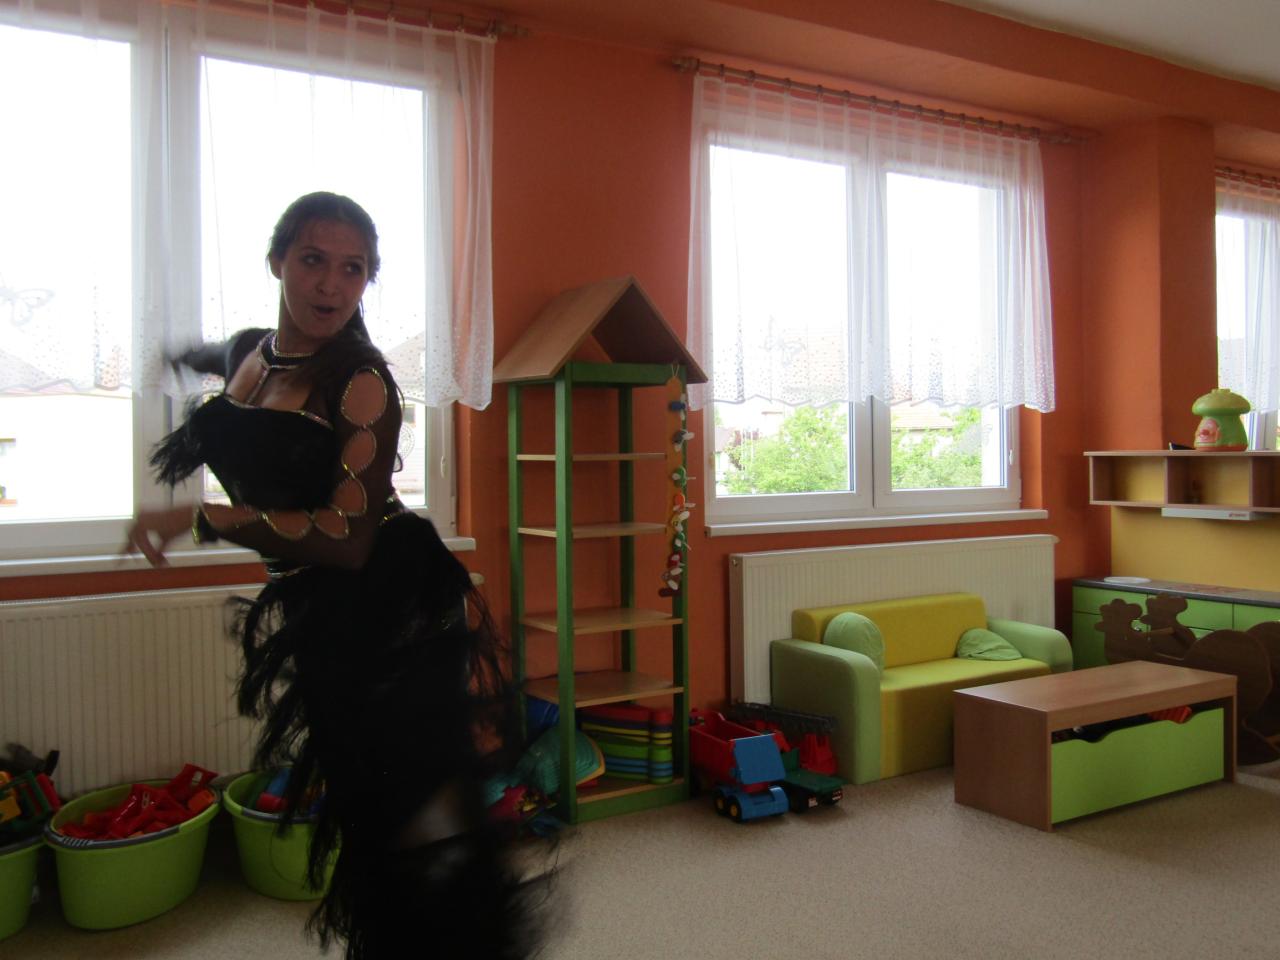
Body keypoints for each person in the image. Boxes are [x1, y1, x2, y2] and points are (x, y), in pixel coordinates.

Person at [126, 192, 542, 958]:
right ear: (277, 261)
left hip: (391, 606)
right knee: (367, 804)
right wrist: (176, 350)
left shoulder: (360, 380)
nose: (330, 284)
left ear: (367, 281)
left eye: (352, 269)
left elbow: (346, 539)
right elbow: (222, 361)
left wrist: (205, 516)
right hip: (322, 608)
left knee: (416, 810)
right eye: (313, 260)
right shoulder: (252, 353)